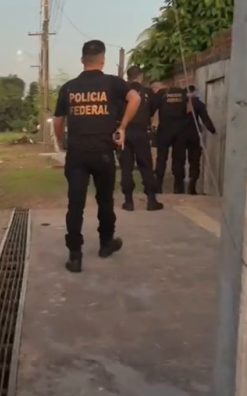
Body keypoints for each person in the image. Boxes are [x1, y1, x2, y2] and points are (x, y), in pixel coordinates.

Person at [53, 40, 141, 273]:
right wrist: (122, 127)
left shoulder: (69, 87)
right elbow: (136, 99)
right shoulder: (113, 83)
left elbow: (58, 120)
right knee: (105, 201)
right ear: (102, 60)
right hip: (103, 153)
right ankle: (106, 244)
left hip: (77, 155)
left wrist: (61, 142)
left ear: (82, 60)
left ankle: (75, 256)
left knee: (75, 204)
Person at [119, 66, 164, 212]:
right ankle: (151, 201)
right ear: (141, 76)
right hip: (141, 132)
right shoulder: (147, 92)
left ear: (128, 76)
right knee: (146, 166)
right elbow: (153, 109)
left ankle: (128, 202)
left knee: (126, 167)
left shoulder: (121, 91)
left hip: (124, 131)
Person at [173, 86, 216, 194]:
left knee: (179, 161)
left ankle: (178, 188)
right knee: (194, 161)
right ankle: (192, 187)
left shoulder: (178, 103)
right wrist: (213, 130)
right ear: (194, 92)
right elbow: (205, 119)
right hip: (193, 135)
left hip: (179, 136)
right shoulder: (198, 104)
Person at [151, 83, 190, 193]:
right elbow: (189, 110)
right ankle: (178, 188)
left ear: (157, 88)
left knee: (161, 159)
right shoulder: (183, 93)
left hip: (165, 130)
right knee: (179, 159)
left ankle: (158, 187)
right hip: (181, 131)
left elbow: (152, 109)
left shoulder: (161, 93)